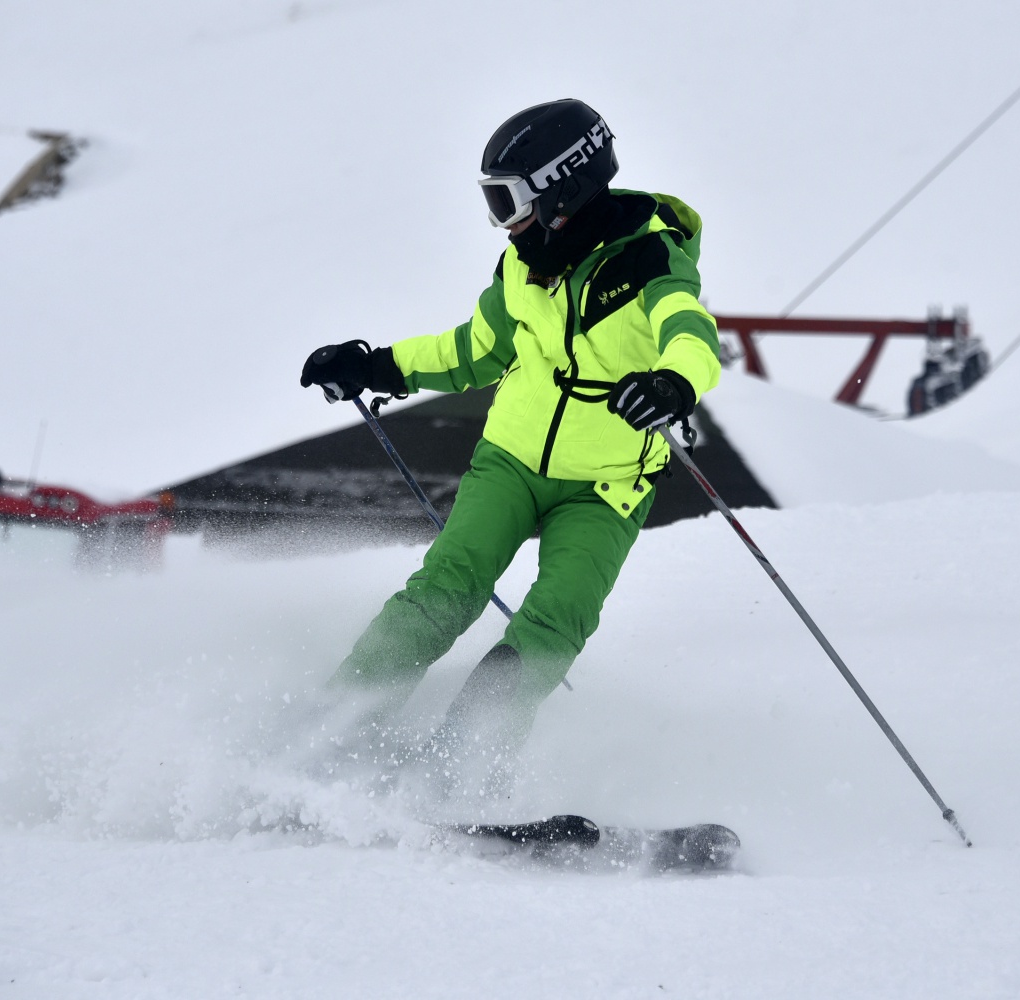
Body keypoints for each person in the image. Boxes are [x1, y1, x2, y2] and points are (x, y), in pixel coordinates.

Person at [299, 98, 721, 798]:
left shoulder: (650, 260)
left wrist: (674, 383)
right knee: (445, 590)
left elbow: (691, 332)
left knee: (554, 620)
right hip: (511, 463)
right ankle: (333, 731)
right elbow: (476, 349)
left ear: (563, 189)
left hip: (608, 487)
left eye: (509, 201)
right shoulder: (521, 268)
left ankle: (457, 771)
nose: (503, 221)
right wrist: (376, 367)